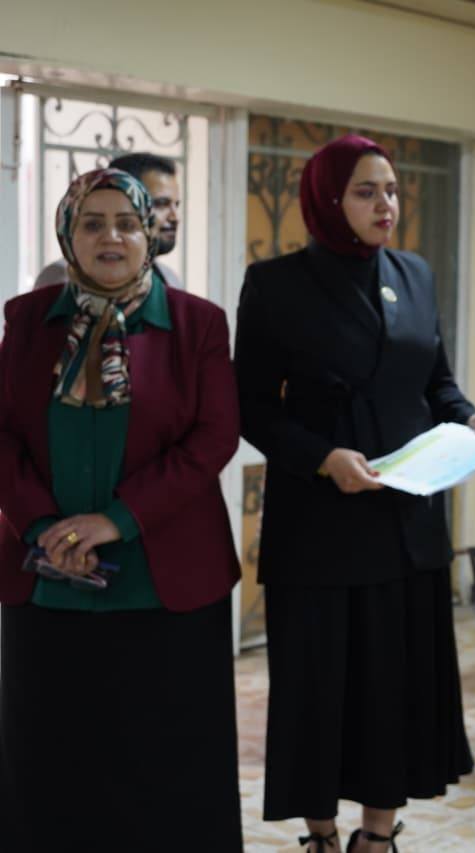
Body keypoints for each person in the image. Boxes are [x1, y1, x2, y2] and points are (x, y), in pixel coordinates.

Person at [236, 135, 475, 853]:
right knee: (320, 688)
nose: (387, 204)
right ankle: (321, 835)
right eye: (366, 191)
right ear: (327, 199)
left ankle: (377, 838)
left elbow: (435, 382)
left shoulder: (414, 273)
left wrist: (469, 417)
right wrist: (322, 459)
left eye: (392, 190)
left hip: (406, 522)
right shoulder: (276, 284)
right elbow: (251, 406)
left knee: (393, 688)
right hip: (319, 525)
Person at [0, 168, 242, 851]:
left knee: (167, 765)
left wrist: (117, 519)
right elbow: (3, 435)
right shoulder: (28, 321)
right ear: (68, 236)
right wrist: (42, 527)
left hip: (166, 585)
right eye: (92, 222)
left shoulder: (197, 323)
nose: (112, 237)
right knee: (52, 762)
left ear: (150, 233)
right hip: (47, 580)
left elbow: (214, 437)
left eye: (128, 223)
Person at [35, 152, 185, 290]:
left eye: (176, 205)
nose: (175, 217)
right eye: (161, 204)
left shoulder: (169, 278)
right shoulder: (61, 278)